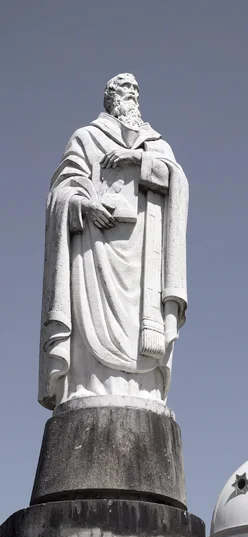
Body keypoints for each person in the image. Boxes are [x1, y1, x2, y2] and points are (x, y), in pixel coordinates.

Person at [39, 73, 188, 410]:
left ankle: (144, 390)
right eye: (123, 88)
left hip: (146, 258)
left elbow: (177, 184)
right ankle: (86, 384)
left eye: (135, 89)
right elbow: (60, 193)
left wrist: (140, 161)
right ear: (109, 97)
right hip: (95, 252)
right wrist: (84, 206)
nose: (131, 93)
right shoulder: (87, 138)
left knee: (142, 333)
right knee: (89, 333)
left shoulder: (156, 144)